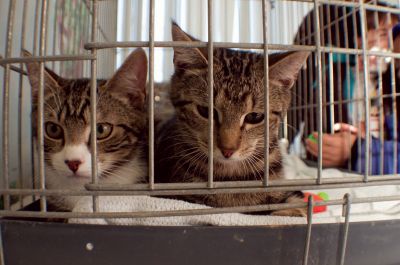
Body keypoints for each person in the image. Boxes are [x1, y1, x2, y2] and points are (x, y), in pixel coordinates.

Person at [306, 23, 400, 175]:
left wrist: (358, 147)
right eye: (383, 34)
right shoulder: (338, 75)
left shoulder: (389, 83)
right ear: (359, 40)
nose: (387, 44)